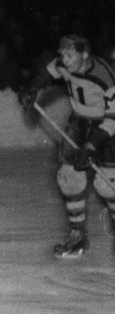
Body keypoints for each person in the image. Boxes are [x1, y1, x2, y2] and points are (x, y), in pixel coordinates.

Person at [22, 34, 115, 259]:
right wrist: (32, 89)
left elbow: (112, 118)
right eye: (62, 53)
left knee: (108, 184)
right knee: (68, 178)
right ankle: (77, 235)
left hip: (107, 126)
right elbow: (46, 73)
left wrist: (92, 146)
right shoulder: (65, 63)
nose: (64, 58)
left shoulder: (105, 76)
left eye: (70, 54)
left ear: (85, 55)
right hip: (80, 123)